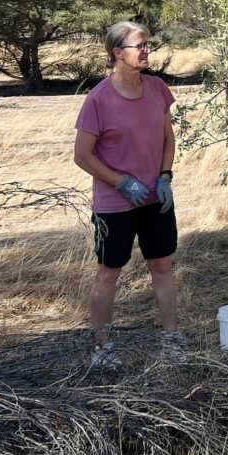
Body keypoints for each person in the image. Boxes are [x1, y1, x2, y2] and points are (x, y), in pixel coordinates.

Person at [74, 21, 187, 369]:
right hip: (114, 205)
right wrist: (121, 182)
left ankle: (171, 341)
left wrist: (165, 176)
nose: (146, 51)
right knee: (109, 271)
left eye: (147, 45)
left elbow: (168, 138)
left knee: (162, 265)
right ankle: (103, 349)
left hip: (156, 199)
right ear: (116, 53)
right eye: (139, 46)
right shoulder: (98, 99)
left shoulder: (157, 89)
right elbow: (83, 155)